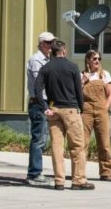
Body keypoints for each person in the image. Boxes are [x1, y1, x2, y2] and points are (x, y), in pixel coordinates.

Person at [34, 39, 94, 191]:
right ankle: (78, 180)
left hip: (54, 109)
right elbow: (78, 91)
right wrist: (80, 108)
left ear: (51, 51)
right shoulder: (72, 67)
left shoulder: (46, 68)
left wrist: (44, 107)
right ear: (64, 50)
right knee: (77, 146)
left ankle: (59, 181)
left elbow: (37, 88)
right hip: (71, 110)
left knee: (57, 147)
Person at [25, 32, 55, 186]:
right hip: (38, 102)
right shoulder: (36, 60)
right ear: (42, 43)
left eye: (52, 43)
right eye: (49, 43)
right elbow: (39, 85)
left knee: (42, 139)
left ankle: (36, 172)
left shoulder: (47, 60)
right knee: (38, 139)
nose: (51, 46)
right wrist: (44, 106)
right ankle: (34, 174)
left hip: (43, 102)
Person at [81, 50, 111, 181]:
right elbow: (77, 92)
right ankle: (80, 171)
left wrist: (105, 107)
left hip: (101, 109)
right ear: (88, 60)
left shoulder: (104, 75)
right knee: (83, 142)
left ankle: (106, 172)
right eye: (94, 59)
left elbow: (110, 93)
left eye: (99, 59)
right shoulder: (81, 75)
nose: (97, 61)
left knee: (104, 142)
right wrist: (83, 81)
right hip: (86, 109)